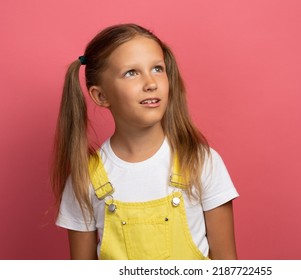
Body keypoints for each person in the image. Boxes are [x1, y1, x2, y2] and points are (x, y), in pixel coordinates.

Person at [52, 23, 239, 260]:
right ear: (101, 96)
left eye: (158, 68)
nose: (151, 83)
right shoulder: (84, 179)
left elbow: (227, 264)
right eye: (132, 72)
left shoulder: (202, 162)